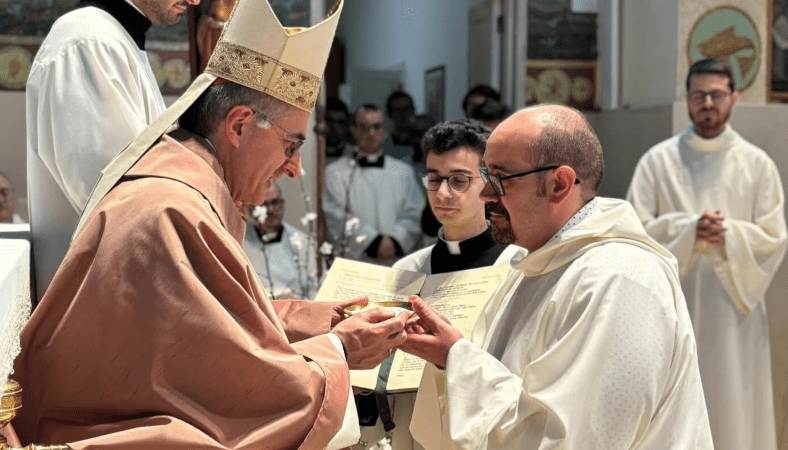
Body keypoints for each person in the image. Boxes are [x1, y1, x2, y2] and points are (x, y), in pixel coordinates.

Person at [13, 1, 410, 449]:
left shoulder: (191, 189)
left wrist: (313, 320)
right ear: (239, 127)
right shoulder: (174, 209)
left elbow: (204, 319)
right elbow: (244, 388)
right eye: (291, 145)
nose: (295, 169)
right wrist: (340, 350)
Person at [402, 105, 713, 449]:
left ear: (559, 184)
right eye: (486, 175)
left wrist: (457, 358)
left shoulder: (618, 279)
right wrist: (449, 359)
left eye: (500, 179)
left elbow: (572, 437)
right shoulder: (532, 266)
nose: (486, 194)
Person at [626, 58, 787, 450]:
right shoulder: (657, 161)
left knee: (736, 409)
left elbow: (774, 238)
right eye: (699, 95)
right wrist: (688, 230)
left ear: (733, 98)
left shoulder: (756, 164)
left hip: (735, 315)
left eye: (717, 95)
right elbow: (633, 232)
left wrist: (728, 234)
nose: (708, 103)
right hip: (676, 309)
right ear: (687, 99)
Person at [27, 0, 199, 301]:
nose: (196, 1)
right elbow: (119, 202)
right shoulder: (88, 41)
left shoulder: (112, 38)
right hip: (97, 304)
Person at [396, 120, 523, 274]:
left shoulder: (517, 266)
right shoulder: (407, 270)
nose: (442, 193)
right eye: (434, 179)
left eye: (458, 180)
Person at [324, 104, 425, 265]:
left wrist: (395, 241)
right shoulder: (335, 172)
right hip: (355, 262)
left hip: (396, 260)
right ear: (353, 129)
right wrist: (372, 242)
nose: (371, 133)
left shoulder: (403, 171)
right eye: (364, 127)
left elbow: (414, 212)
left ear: (384, 129)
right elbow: (336, 215)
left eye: (376, 127)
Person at [244, 182, 319, 299]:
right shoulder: (240, 242)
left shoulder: (304, 242)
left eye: (275, 202)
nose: (270, 210)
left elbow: (315, 288)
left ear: (282, 204)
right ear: (250, 208)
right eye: (263, 205)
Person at [325, 97, 353, 164]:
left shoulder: (352, 153)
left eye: (340, 122)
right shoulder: (313, 150)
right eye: (330, 121)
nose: (335, 126)